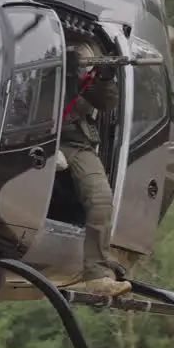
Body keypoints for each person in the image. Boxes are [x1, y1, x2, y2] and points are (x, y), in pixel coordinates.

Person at [61, 42, 132, 297]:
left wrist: (103, 78)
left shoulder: (85, 71)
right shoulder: (34, 56)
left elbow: (106, 103)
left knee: (100, 198)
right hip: (28, 138)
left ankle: (97, 275)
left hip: (74, 143)